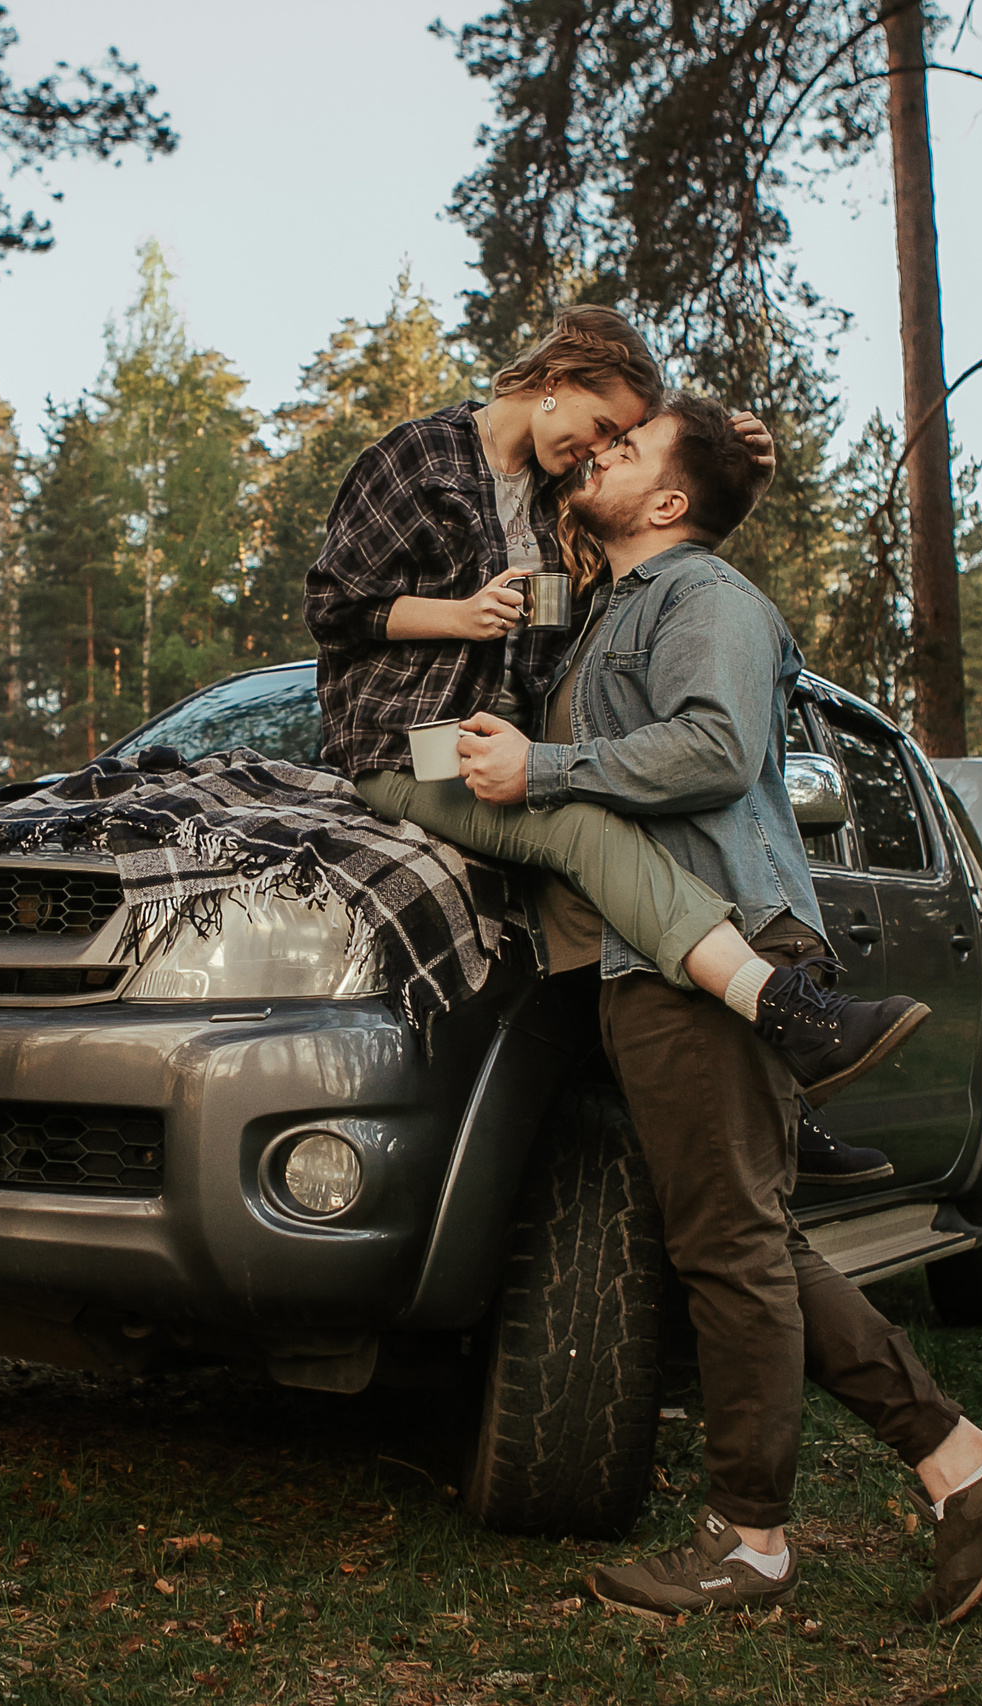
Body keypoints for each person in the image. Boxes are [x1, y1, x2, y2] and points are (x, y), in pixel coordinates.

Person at [450, 392, 982, 1624]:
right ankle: (964, 1467)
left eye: (627, 449)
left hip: (717, 935)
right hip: (659, 951)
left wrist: (547, 769)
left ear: (670, 503)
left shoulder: (705, 599)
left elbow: (716, 749)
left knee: (729, 1246)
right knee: (750, 1237)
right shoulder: (619, 599)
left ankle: (755, 1540)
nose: (600, 453)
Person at [304, 305, 927, 1122]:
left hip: (495, 752)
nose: (597, 451)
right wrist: (459, 615)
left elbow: (657, 554)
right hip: (408, 745)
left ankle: (783, 1120)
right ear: (555, 383)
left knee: (598, 833)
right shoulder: (418, 456)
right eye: (603, 426)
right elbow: (331, 604)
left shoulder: (559, 499)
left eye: (617, 443)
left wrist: (737, 486)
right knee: (582, 830)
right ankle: (785, 1012)